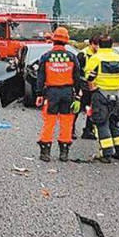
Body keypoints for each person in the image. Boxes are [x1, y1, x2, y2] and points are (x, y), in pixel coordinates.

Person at [84, 35, 119, 163]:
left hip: (101, 93)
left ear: (99, 45)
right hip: (116, 95)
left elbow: (89, 77)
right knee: (114, 122)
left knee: (102, 123)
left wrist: (92, 88)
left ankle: (106, 154)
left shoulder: (96, 58)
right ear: (112, 45)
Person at [36, 27, 84, 162]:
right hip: (67, 93)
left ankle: (45, 152)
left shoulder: (46, 57)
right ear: (66, 41)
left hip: (51, 93)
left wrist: (39, 94)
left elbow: (41, 77)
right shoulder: (72, 57)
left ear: (53, 40)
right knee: (67, 122)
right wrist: (78, 95)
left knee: (49, 122)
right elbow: (77, 77)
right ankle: (64, 153)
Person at [75, 36, 100, 140]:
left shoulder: (99, 55)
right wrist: (78, 87)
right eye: (96, 45)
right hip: (83, 84)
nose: (97, 47)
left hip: (94, 85)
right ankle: (71, 129)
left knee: (92, 109)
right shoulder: (83, 54)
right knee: (77, 108)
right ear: (90, 44)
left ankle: (88, 130)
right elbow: (77, 72)